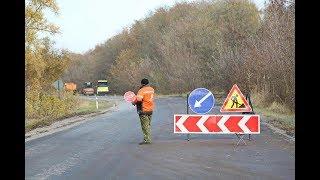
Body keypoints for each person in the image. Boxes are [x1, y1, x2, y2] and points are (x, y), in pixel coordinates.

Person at [132, 78, 155, 145]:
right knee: (148, 125)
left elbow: (139, 99)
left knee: (144, 126)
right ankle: (148, 138)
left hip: (143, 110)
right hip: (150, 109)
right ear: (148, 83)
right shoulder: (152, 89)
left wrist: (134, 102)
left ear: (142, 84)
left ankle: (147, 140)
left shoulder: (141, 90)